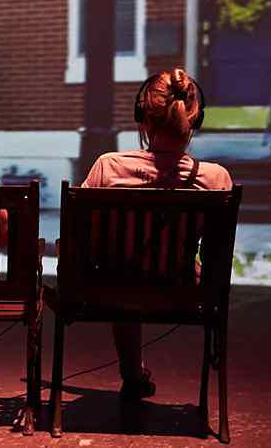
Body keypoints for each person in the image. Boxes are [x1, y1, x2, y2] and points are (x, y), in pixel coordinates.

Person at [80, 67, 232, 402]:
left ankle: (132, 374)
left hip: (113, 287)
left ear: (143, 117)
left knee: (123, 272)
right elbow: (217, 252)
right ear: (196, 119)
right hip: (181, 289)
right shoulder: (216, 178)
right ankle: (139, 376)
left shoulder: (109, 166)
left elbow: (81, 236)